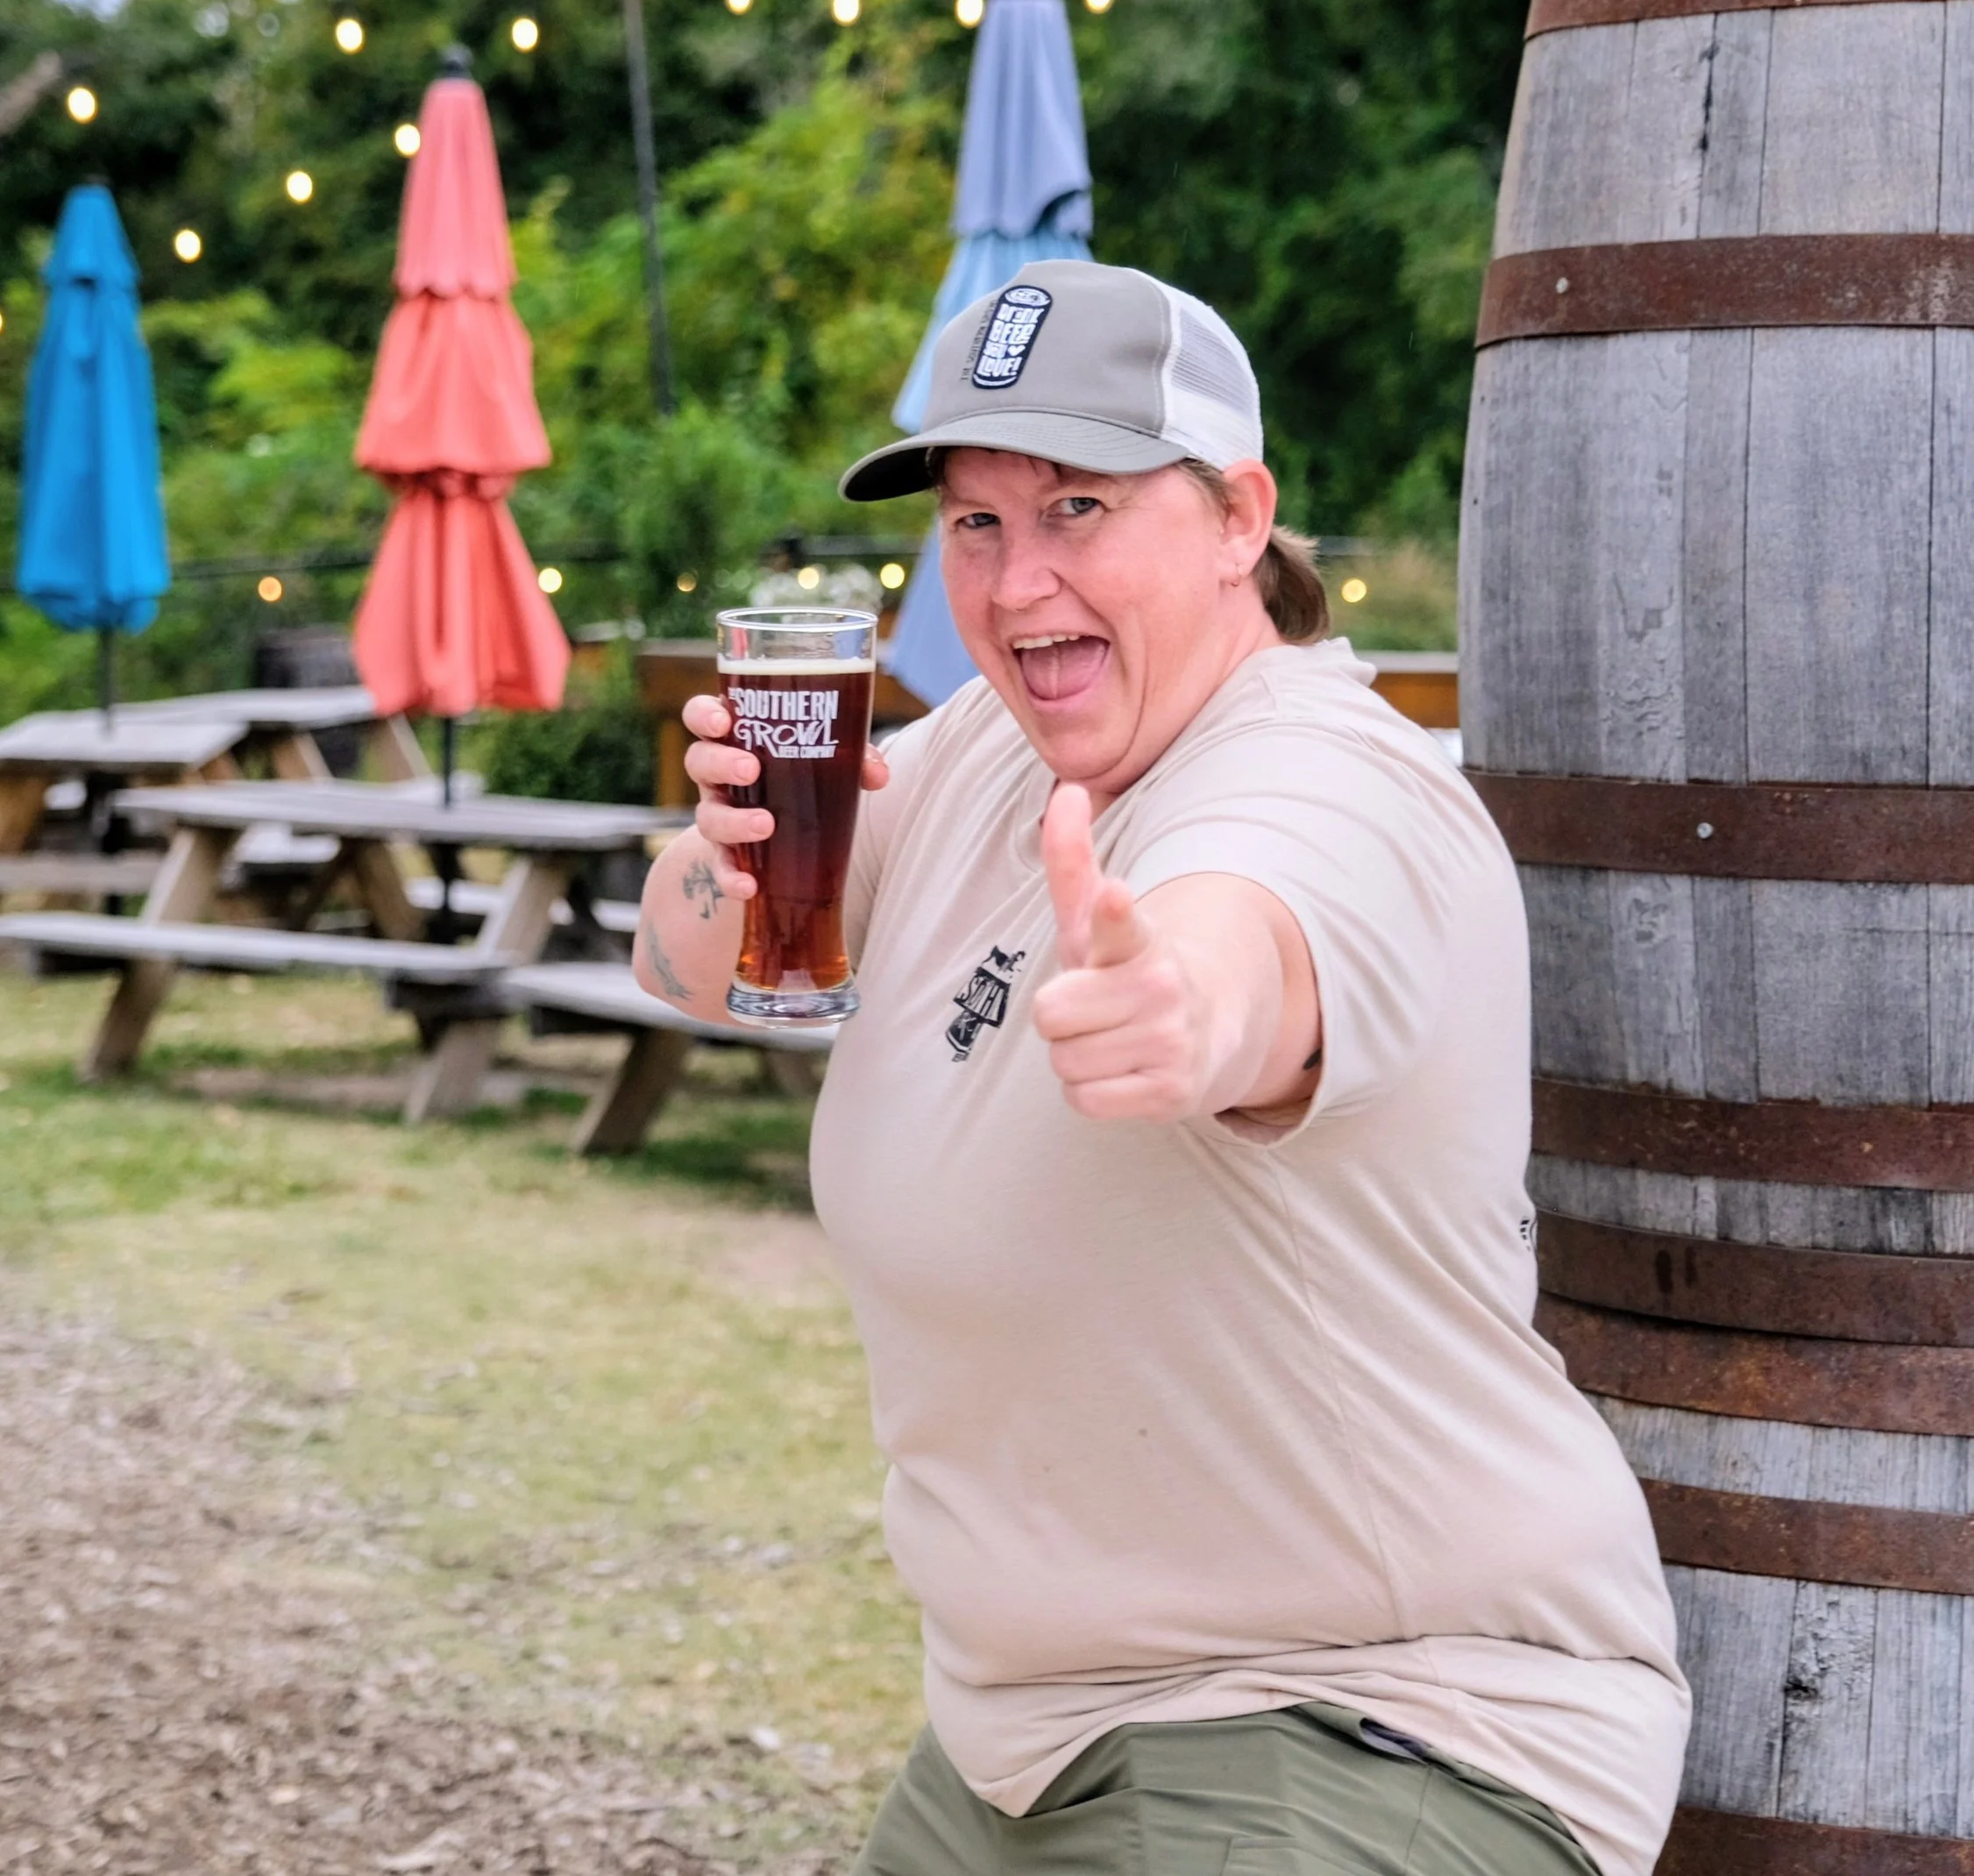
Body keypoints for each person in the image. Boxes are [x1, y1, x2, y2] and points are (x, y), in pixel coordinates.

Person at [633, 260, 1689, 1876]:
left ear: (1236, 519)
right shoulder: (986, 750)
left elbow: (1252, 939)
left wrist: (1178, 1007)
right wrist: (725, 853)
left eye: (1079, 507)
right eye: (976, 522)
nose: (1015, 581)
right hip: (1023, 1744)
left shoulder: (1333, 776)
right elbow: (681, 965)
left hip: (1376, 1721)